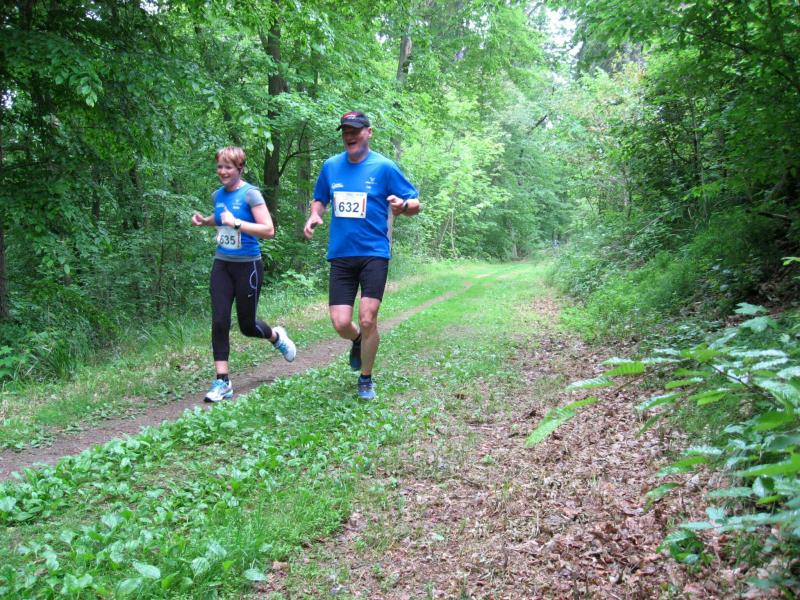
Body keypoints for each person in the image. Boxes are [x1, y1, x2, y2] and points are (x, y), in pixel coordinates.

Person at [303, 111, 420, 400]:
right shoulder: (331, 166)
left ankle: (366, 378)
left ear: (368, 132)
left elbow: (415, 203)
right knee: (341, 322)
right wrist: (315, 215)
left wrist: (403, 205)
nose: (350, 136)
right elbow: (320, 198)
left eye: (355, 130)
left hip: (374, 253)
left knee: (368, 318)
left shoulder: (384, 167)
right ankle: (357, 340)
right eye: (345, 131)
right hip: (341, 254)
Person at [192, 146, 296, 403]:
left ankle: (276, 336)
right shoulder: (218, 195)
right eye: (220, 167)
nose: (223, 172)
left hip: (248, 266)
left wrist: (237, 223)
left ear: (240, 168)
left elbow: (268, 230)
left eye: (228, 167)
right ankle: (223, 381)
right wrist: (205, 221)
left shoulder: (250, 194)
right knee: (219, 320)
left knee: (247, 326)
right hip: (222, 265)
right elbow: (220, 218)